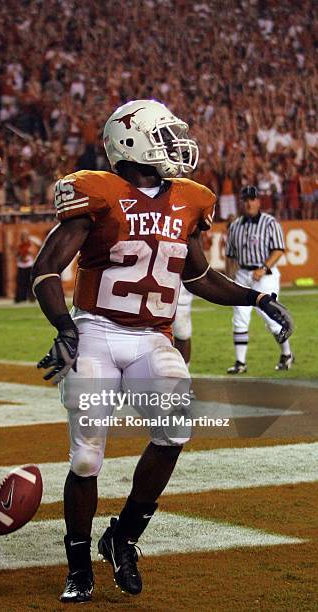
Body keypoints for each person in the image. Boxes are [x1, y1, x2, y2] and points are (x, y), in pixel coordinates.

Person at [32, 100, 293, 603]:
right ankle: (79, 563)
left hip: (153, 335)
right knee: (86, 459)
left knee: (175, 429)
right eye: (166, 134)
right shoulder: (98, 192)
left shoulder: (189, 199)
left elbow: (197, 275)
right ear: (131, 143)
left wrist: (257, 297)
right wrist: (65, 327)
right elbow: (45, 269)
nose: (177, 143)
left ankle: (123, 536)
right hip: (98, 332)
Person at [225, 185, 294, 373]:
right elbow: (230, 255)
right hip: (242, 274)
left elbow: (279, 250)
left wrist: (263, 268)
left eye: (252, 199)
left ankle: (287, 354)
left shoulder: (270, 222)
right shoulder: (235, 226)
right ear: (241, 202)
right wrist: (229, 277)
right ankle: (240, 363)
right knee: (239, 318)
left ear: (258, 201)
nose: (248, 203)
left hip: (265, 275)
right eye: (245, 200)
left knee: (270, 317)